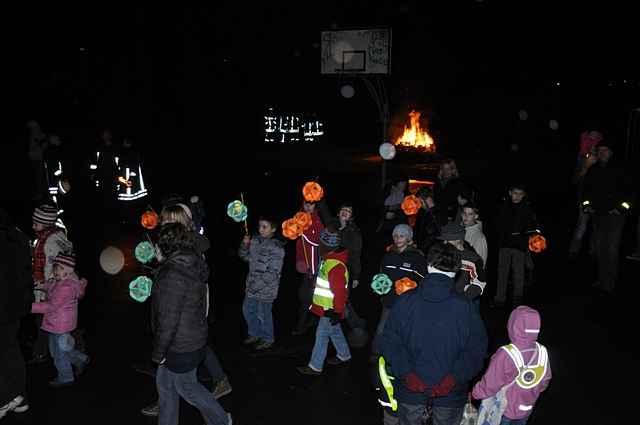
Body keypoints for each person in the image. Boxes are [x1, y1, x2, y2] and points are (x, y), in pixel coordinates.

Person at [140, 203, 232, 417]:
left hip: (182, 338)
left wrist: (159, 352)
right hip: (189, 333)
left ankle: (220, 418)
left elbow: (170, 316)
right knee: (169, 384)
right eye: (164, 221)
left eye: (170, 221)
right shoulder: (182, 257)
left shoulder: (179, 265)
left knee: (184, 386)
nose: (165, 225)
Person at [381, 243, 488, 425]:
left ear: (428, 265)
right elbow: (476, 350)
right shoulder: (466, 307)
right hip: (450, 396)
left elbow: (390, 342)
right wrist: (453, 378)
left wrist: (408, 374)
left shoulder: (405, 301)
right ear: (456, 270)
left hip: (410, 392)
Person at [472, 306, 552, 425]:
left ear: (513, 326)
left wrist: (475, 394)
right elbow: (545, 381)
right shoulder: (542, 352)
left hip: (503, 411)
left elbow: (491, 383)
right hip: (526, 409)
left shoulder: (507, 354)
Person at [297, 226, 352, 375]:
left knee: (321, 336)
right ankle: (344, 354)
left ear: (327, 246)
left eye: (321, 244)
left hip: (330, 309)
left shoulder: (335, 267)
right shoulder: (328, 260)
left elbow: (340, 293)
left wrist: (337, 312)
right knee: (334, 332)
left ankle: (315, 366)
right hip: (327, 307)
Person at [31, 253, 89, 387]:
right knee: (61, 348)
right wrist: (40, 285)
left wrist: (30, 306)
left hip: (60, 325)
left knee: (59, 353)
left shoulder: (66, 287)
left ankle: (66, 377)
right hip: (56, 323)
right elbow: (50, 286)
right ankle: (81, 359)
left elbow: (51, 305)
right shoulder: (60, 281)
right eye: (55, 267)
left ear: (67, 272)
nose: (55, 271)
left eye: (59, 268)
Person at [581, 140, 632, 293]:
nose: (603, 153)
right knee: (601, 249)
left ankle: (610, 282)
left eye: (605, 150)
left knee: (611, 249)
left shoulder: (620, 169)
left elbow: (630, 192)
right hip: (598, 215)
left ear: (611, 152)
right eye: (600, 150)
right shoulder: (593, 170)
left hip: (615, 217)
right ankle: (601, 279)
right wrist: (587, 205)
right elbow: (586, 190)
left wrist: (621, 209)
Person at [372, 224, 427, 356]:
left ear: (409, 238)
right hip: (389, 301)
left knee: (405, 332)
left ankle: (403, 357)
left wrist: (413, 286)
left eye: (401, 236)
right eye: (395, 236)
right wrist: (378, 287)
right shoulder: (388, 255)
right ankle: (376, 353)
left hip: (407, 303)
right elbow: (382, 275)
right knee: (381, 329)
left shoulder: (417, 257)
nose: (397, 239)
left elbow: (424, 279)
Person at [0, 208, 33, 417]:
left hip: (4, 304)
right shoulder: (17, 235)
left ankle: (5, 398)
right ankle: (18, 396)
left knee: (5, 350)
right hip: (15, 303)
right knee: (10, 348)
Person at [30, 204, 72, 364]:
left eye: (36, 223)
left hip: (49, 290)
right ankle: (47, 351)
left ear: (46, 224)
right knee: (46, 323)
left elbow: (53, 269)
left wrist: (46, 288)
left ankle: (43, 353)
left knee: (44, 323)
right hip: (45, 287)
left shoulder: (50, 243)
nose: (33, 226)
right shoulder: (44, 240)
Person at [238, 217, 285, 350]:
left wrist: (255, 286)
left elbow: (273, 273)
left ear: (273, 229)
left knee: (264, 314)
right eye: (260, 226)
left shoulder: (276, 247)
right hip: (252, 285)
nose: (261, 229)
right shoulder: (255, 241)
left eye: (265, 227)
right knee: (248, 310)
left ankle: (268, 338)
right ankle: (255, 333)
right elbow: (245, 257)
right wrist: (245, 245)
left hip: (266, 288)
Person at [494, 184, 539, 307]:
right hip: (505, 245)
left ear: (523, 195)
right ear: (510, 193)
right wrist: (502, 236)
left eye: (520, 194)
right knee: (502, 272)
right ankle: (499, 297)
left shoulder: (527, 209)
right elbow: (497, 224)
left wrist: (526, 233)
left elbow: (533, 228)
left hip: (519, 246)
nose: (517, 196)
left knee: (518, 272)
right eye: (515, 193)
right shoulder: (503, 206)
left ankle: (518, 297)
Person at [293, 199, 325, 335]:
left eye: (311, 204)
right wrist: (299, 260)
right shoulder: (299, 218)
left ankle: (306, 323)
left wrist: (303, 233)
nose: (308, 206)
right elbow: (299, 244)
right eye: (306, 203)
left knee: (310, 295)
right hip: (305, 265)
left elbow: (318, 241)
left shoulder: (317, 220)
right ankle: (311, 319)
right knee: (305, 295)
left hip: (315, 265)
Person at [569, 131, 602, 257]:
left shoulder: (603, 158)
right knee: (582, 225)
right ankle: (573, 252)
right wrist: (586, 167)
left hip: (600, 200)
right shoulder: (582, 158)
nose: (593, 142)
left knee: (597, 227)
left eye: (596, 138)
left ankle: (594, 253)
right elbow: (575, 180)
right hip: (584, 198)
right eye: (591, 138)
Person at [438, 222, 486, 301]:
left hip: (463, 302)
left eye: (447, 240)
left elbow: (480, 282)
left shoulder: (473, 259)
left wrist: (463, 299)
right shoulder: (441, 254)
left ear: (458, 239)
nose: (444, 242)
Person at [433, 159, 467, 226]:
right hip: (438, 215)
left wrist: (462, 199)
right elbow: (435, 197)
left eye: (448, 169)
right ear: (441, 170)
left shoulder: (457, 182)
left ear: (452, 170)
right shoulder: (438, 182)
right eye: (444, 168)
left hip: (451, 217)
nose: (446, 171)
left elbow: (465, 197)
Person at [379, 176, 409, 246]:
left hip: (401, 227)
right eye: (402, 183)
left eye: (405, 183)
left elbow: (406, 211)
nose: (404, 185)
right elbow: (381, 208)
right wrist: (387, 211)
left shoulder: (406, 196)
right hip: (388, 228)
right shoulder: (387, 193)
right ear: (397, 184)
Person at [413, 186, 441, 255]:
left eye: (421, 201)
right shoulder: (422, 211)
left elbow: (433, 237)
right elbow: (417, 229)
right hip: (419, 248)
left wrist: (422, 250)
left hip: (428, 252)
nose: (420, 204)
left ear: (428, 199)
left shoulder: (436, 215)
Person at [26, 120, 49, 201]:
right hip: (33, 158)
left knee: (39, 176)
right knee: (36, 176)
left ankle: (40, 194)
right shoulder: (32, 134)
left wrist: (40, 145)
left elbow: (44, 144)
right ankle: (38, 193)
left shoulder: (38, 134)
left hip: (38, 158)